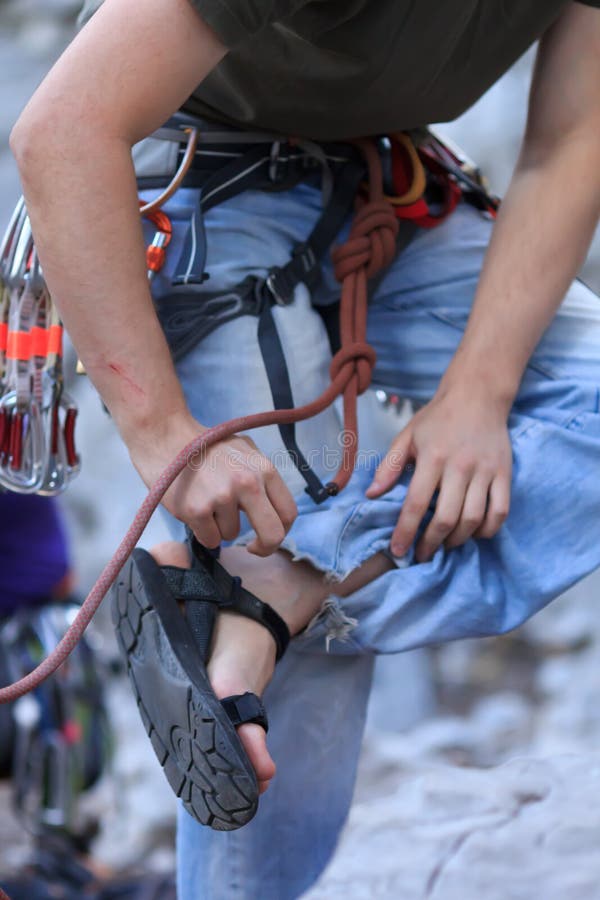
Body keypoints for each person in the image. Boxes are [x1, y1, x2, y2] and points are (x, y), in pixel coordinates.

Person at [7, 1, 600, 896]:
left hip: (389, 177)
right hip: (199, 178)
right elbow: (63, 129)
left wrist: (480, 392)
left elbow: (575, 134)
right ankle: (274, 600)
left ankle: (288, 591)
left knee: (280, 576)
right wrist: (171, 437)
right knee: (288, 608)